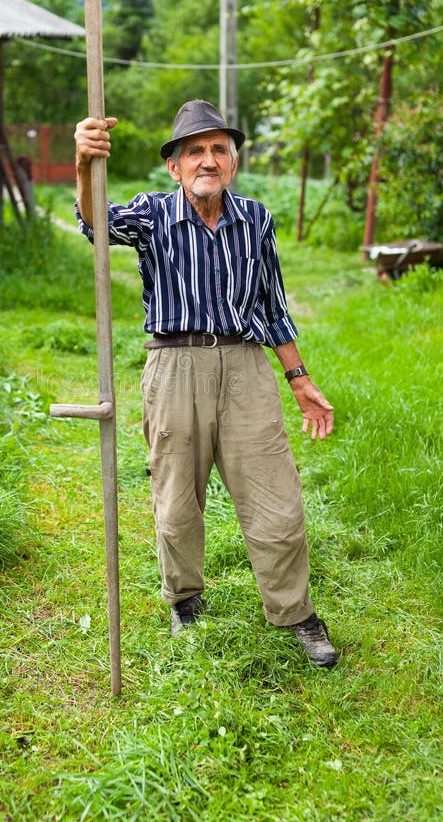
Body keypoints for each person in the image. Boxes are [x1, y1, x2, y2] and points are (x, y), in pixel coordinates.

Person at [74, 99, 338, 668]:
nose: (208, 160)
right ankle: (186, 602)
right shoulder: (152, 215)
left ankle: (294, 611)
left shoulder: (257, 220)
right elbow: (95, 223)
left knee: (279, 502)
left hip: (245, 368)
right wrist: (82, 162)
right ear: (174, 167)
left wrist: (299, 377)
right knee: (177, 502)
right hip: (173, 368)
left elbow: (271, 305)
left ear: (233, 162)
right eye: (195, 151)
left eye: (219, 149)